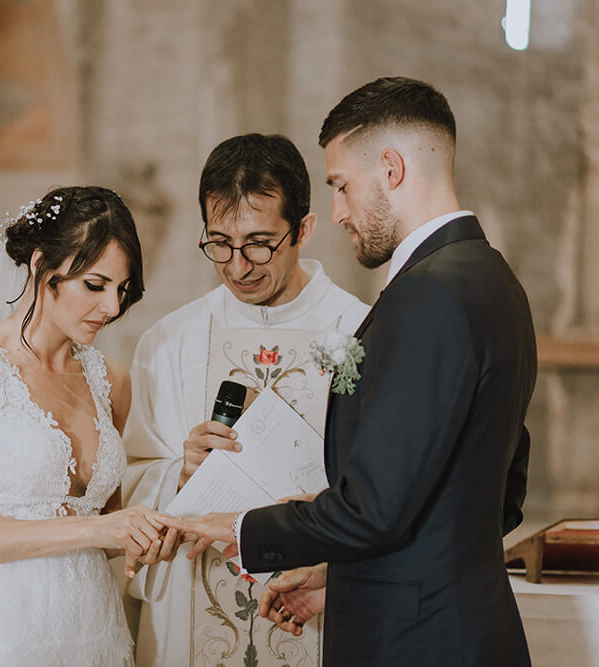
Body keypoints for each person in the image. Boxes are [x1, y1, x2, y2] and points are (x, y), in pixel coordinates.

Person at [160, 77, 537, 667]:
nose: (336, 213)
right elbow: (500, 496)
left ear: (390, 169)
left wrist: (239, 526)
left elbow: (374, 507)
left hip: (414, 643)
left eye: (341, 186)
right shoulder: (494, 281)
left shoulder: (427, 297)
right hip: (461, 625)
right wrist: (342, 576)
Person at [122, 133, 370, 667]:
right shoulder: (168, 342)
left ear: (303, 229)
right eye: (219, 243)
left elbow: (381, 491)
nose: (238, 267)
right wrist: (178, 475)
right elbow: (128, 481)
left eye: (260, 243)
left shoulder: (359, 330)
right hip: (192, 606)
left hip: (315, 602)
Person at [0, 186, 165, 667]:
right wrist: (93, 531)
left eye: (122, 290)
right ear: (43, 265)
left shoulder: (113, 382)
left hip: (94, 633)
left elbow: (110, 531)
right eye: (96, 285)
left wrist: (153, 525)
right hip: (0, 634)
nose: (111, 307)